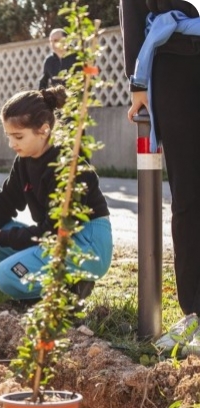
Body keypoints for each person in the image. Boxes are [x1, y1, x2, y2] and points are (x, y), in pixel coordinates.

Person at [0, 86, 112, 301]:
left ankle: (70, 289)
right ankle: (38, 283)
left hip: (86, 246)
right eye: (9, 136)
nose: (12, 144)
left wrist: (0, 236)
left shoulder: (67, 167)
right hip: (53, 239)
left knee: (4, 275)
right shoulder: (24, 161)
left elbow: (53, 231)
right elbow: (6, 202)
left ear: (44, 130)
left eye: (18, 137)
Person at [120, 0, 200, 350]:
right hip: (172, 63)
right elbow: (133, 9)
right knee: (188, 194)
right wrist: (138, 81)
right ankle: (195, 314)